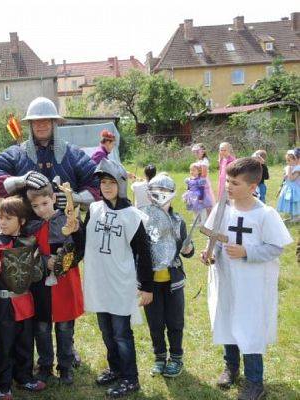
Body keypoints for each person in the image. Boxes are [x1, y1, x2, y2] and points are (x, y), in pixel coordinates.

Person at [201, 157, 292, 400]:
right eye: (228, 181)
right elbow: (215, 239)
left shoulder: (265, 215)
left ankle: (255, 382)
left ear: (253, 187)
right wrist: (209, 254)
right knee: (228, 320)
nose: (229, 187)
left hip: (252, 285)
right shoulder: (223, 209)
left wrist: (247, 252)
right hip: (227, 281)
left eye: (235, 183)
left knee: (249, 328)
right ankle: (231, 368)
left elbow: (276, 248)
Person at [83, 159, 153, 398]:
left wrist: (147, 287)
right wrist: (72, 230)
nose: (107, 187)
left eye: (112, 182)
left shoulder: (132, 216)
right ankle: (115, 368)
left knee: (122, 334)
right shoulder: (94, 210)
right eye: (103, 182)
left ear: (121, 184)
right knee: (105, 330)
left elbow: (144, 254)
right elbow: (83, 240)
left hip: (121, 282)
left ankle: (130, 378)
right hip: (98, 280)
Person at [0, 97, 99, 209]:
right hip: (28, 224)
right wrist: (20, 181)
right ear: (30, 124)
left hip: (67, 223)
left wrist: (75, 199)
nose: (41, 125)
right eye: (36, 121)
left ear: (53, 122)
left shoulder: (74, 155)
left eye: (46, 120)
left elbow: (99, 185)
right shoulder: (15, 155)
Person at [0, 196, 46, 399]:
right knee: (4, 344)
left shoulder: (30, 242)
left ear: (21, 220)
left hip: (25, 300)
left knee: (25, 342)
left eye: (8, 218)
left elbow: (37, 272)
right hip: (3, 303)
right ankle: (2, 384)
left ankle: (24, 377)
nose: (2, 222)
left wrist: (38, 267)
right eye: (0, 217)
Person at [24, 184, 84, 385]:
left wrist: (62, 262)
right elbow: (27, 253)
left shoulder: (68, 220)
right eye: (35, 206)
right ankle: (45, 365)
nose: (41, 209)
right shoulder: (32, 226)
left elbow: (80, 248)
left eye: (44, 203)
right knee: (41, 326)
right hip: (40, 283)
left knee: (65, 327)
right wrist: (44, 260)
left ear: (53, 199)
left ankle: (65, 366)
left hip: (64, 282)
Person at [141, 173, 194, 378]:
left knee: (175, 322)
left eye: (165, 192)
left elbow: (185, 251)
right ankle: (160, 357)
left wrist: (188, 248)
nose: (160, 195)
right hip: (151, 283)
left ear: (172, 195)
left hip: (173, 282)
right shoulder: (142, 218)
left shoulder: (178, 221)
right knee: (155, 322)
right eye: (157, 192)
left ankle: (176, 357)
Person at [191, 143, 215, 215]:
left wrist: (196, 178)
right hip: (199, 180)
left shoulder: (204, 162)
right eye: (195, 152)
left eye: (198, 152)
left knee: (206, 200)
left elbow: (204, 174)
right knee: (199, 198)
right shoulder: (199, 160)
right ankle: (201, 217)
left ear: (203, 152)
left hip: (203, 182)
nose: (196, 154)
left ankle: (209, 217)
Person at [276, 150, 299, 222]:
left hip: (294, 189)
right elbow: (285, 178)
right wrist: (285, 174)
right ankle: (292, 216)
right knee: (289, 201)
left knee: (294, 202)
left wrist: (289, 170)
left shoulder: (298, 168)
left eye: (289, 160)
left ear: (295, 159)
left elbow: (292, 179)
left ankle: (296, 217)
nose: (287, 162)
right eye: (287, 160)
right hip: (288, 187)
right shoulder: (289, 168)